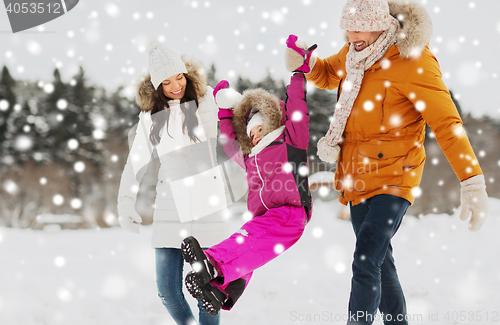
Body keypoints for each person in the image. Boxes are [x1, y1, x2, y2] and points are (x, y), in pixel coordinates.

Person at [285, 0, 489, 324]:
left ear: (381, 23)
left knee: (366, 258)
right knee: (381, 262)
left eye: (359, 27)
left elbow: (447, 123)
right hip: (357, 176)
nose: (351, 35)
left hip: (397, 176)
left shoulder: (414, 61)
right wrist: (306, 63)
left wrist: (472, 180)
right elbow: (326, 74)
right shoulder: (353, 54)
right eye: (347, 27)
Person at [179, 38, 316, 315]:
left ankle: (212, 263)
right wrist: (225, 112)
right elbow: (231, 141)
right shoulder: (250, 156)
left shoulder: (290, 141)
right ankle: (220, 289)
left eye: (259, 130)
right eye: (251, 134)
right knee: (250, 251)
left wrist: (298, 74)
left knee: (247, 240)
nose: (255, 136)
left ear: (273, 124)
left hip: (290, 213)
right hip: (266, 216)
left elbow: (297, 108)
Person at [117, 42, 231, 325]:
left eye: (179, 77)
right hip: (170, 207)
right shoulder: (150, 118)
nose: (176, 85)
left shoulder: (208, 101)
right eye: (166, 82)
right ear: (157, 86)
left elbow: (241, 118)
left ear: (186, 74)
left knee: (208, 290)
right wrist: (125, 204)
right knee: (167, 290)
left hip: (207, 206)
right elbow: (134, 165)